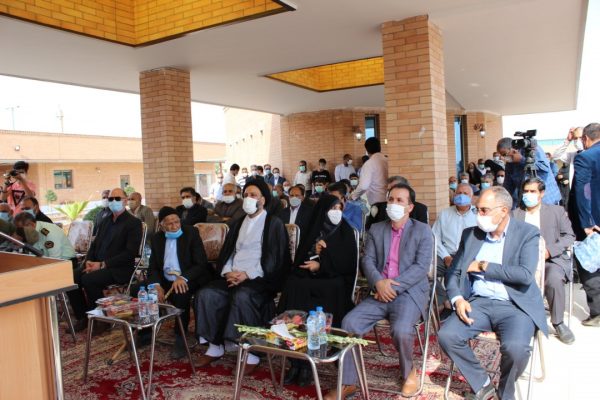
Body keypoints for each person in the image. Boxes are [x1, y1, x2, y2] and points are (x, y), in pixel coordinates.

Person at [324, 184, 433, 399]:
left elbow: (421, 267)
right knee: (349, 323)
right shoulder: (377, 229)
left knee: (401, 329)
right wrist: (379, 283)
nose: (393, 204)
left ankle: (409, 372)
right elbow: (368, 260)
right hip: (378, 291)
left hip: (408, 292)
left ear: (410, 207)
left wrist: (391, 285)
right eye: (391, 199)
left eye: (400, 200)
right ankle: (348, 383)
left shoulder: (422, 230)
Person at [438, 186, 547, 400]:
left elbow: (525, 275)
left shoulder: (527, 233)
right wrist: (457, 299)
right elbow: (454, 272)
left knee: (516, 349)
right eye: (478, 209)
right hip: (478, 303)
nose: (478, 215)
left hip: (515, 305)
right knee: (447, 335)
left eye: (484, 210)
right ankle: (484, 386)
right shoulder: (471, 234)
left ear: (503, 211)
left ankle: (505, 393)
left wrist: (483, 266)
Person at [194, 179, 290, 371]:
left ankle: (251, 353)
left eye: (253, 195)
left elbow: (274, 259)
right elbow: (229, 253)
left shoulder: (274, 223)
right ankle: (215, 346)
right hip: (233, 275)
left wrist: (247, 274)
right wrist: (228, 272)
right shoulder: (238, 223)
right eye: (246, 195)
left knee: (242, 296)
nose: (248, 198)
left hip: (260, 278)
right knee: (206, 293)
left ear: (263, 199)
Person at [278, 194, 357, 386]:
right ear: (322, 210)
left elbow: (347, 265)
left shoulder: (346, 231)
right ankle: (295, 360)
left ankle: (309, 362)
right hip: (311, 277)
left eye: (339, 208)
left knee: (324, 291)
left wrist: (323, 262)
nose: (336, 212)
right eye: (332, 208)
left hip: (334, 281)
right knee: (294, 283)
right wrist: (313, 258)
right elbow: (301, 259)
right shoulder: (313, 228)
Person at [67, 188, 143, 332]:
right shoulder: (105, 221)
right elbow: (94, 245)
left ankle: (101, 319)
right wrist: (88, 261)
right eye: (111, 199)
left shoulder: (133, 223)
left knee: (89, 279)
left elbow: (130, 253)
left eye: (117, 199)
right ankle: (83, 316)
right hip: (97, 264)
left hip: (118, 268)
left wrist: (102, 264)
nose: (113, 201)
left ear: (125, 201)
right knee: (72, 278)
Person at [512, 178, 575, 343]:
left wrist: (549, 251)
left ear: (542, 193)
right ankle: (520, 319)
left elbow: (569, 236)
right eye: (526, 191)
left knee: (554, 278)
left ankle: (558, 322)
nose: (528, 195)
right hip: (522, 261)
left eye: (532, 191)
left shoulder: (556, 211)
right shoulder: (515, 214)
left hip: (549, 260)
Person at [146, 207, 214, 358]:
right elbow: (153, 267)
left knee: (181, 292)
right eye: (169, 224)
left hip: (190, 277)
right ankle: (145, 331)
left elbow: (201, 263)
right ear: (162, 226)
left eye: (177, 222)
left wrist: (183, 278)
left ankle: (180, 336)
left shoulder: (191, 233)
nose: (175, 226)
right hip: (165, 278)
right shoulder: (157, 238)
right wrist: (156, 285)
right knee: (141, 289)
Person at [570, 122, 600, 326]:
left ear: (586, 138)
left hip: (592, 223)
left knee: (590, 267)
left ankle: (598, 313)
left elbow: (583, 190)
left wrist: (587, 222)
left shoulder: (585, 157)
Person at [432, 183, 477, 310]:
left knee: (463, 283)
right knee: (425, 270)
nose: (461, 196)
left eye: (465, 193)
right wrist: (445, 256)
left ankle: (461, 304)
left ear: (472, 197)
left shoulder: (478, 214)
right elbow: (434, 237)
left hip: (468, 258)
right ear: (454, 195)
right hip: (446, 255)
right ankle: (444, 299)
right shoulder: (444, 214)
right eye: (459, 193)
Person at [496, 137, 561, 207]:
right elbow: (508, 185)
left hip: (546, 199)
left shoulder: (532, 149)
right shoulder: (510, 163)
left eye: (504, 154)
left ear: (513, 149)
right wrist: (502, 201)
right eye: (501, 155)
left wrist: (521, 160)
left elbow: (544, 168)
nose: (502, 158)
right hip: (527, 201)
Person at [350, 138, 388, 228]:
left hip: (378, 205)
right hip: (390, 202)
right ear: (380, 147)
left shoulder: (369, 164)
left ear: (367, 150)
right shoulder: (387, 160)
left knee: (375, 231)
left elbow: (363, 186)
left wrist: (353, 196)